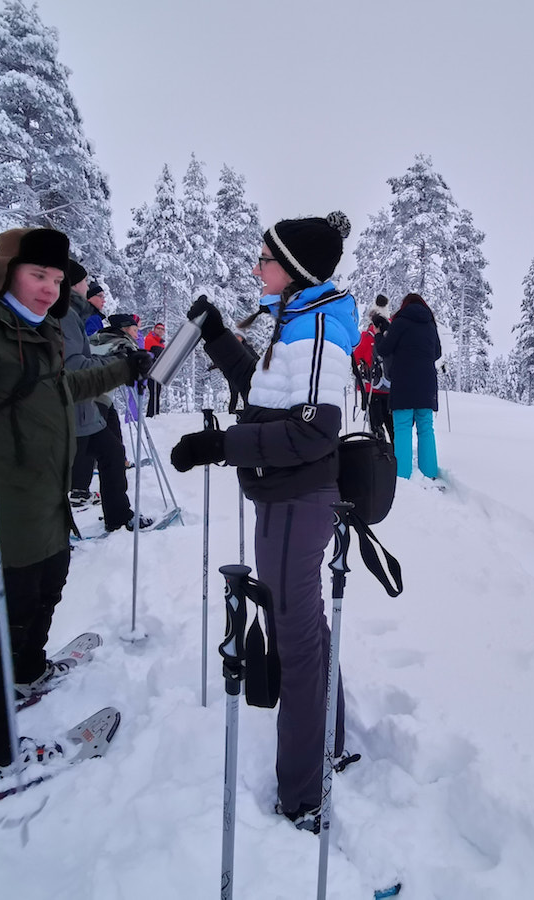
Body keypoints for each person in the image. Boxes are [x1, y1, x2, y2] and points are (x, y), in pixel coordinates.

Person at [0, 228, 151, 784]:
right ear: (8, 270)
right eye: (39, 275)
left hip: (44, 494)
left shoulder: (37, 331)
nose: (48, 289)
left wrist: (124, 369)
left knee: (50, 580)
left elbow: (61, 387)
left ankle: (30, 671)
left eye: (58, 280)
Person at [168, 212, 359, 825]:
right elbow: (267, 393)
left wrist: (218, 447)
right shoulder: (300, 318)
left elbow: (312, 432)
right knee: (306, 632)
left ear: (295, 270)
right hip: (285, 500)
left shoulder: (320, 325)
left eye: (266, 260)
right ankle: (329, 743)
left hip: (297, 500)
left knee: (296, 644)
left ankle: (302, 795)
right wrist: (222, 336)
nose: (257, 268)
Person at [65, 273, 141, 529]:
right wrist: (121, 366)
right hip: (78, 401)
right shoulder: (67, 315)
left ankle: (118, 516)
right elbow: (77, 365)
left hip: (90, 402)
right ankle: (62, 520)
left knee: (111, 452)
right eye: (86, 283)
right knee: (71, 462)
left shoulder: (80, 315)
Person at [82, 313, 153, 530]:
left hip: (98, 400)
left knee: (113, 452)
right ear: (124, 328)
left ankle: (116, 512)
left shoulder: (97, 338)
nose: (137, 332)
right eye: (134, 328)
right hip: (93, 403)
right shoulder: (120, 343)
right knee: (110, 454)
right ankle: (118, 515)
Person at [375, 292, 442, 480]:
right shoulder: (430, 324)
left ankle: (402, 476)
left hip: (404, 381)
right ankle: (429, 474)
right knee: (426, 428)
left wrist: (379, 335)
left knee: (403, 428)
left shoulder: (401, 322)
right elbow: (437, 353)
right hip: (427, 383)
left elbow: (384, 349)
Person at [352, 294, 394, 441]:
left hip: (372, 389)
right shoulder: (394, 335)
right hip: (392, 390)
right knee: (394, 429)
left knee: (376, 429)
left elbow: (355, 359)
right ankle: (398, 458)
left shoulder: (365, 337)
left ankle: (379, 458)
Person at [143, 322, 166, 417]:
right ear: (154, 329)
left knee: (157, 391)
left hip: (158, 370)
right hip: (151, 369)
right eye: (158, 328)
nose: (160, 330)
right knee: (153, 391)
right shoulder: (149, 339)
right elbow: (145, 353)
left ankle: (156, 413)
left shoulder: (161, 343)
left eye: (162, 329)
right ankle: (151, 414)